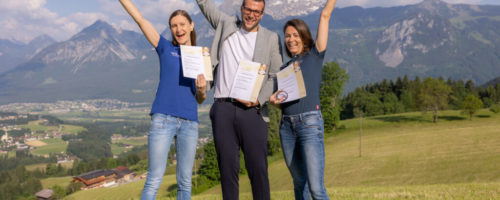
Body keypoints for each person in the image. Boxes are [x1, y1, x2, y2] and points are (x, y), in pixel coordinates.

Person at [119, 1, 207, 199]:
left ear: (191, 25)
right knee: (154, 179)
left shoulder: (201, 57)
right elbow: (141, 20)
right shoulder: (165, 47)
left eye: (182, 24)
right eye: (174, 25)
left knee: (185, 183)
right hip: (163, 120)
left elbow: (201, 98)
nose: (178, 29)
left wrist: (202, 90)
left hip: (189, 124)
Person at [196, 0, 283, 199]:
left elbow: (275, 76)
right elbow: (203, 3)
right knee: (227, 172)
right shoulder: (226, 23)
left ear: (262, 14)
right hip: (223, 108)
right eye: (248, 9)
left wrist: (259, 100)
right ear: (241, 9)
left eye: (256, 12)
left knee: (258, 170)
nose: (251, 15)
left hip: (253, 111)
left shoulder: (271, 38)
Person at [269, 0, 337, 199]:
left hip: (309, 124)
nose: (291, 39)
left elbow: (325, 15)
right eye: (288, 36)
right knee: (299, 184)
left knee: (316, 188)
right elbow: (283, 102)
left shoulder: (314, 56)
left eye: (295, 35)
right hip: (286, 127)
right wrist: (274, 102)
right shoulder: (284, 69)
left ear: (304, 37)